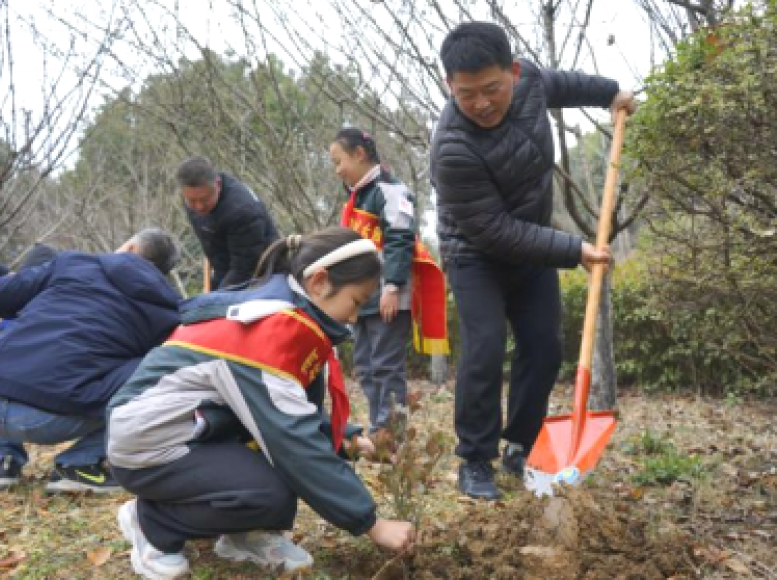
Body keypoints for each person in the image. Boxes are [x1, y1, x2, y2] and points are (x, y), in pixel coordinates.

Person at [106, 226, 415, 579]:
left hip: (196, 431)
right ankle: (153, 524)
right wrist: (372, 523)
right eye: (356, 302)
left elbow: (289, 408)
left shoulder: (287, 315)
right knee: (270, 493)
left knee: (277, 484)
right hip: (149, 443)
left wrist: (348, 438)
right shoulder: (269, 329)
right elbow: (293, 439)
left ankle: (243, 534)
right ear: (319, 282)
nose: (354, 317)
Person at [430, 22, 635, 500]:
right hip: (476, 253)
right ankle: (475, 459)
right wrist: (572, 249)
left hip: (533, 244)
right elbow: (493, 230)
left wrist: (612, 94)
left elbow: (565, 84)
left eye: (492, 88)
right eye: (466, 94)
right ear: (449, 87)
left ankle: (521, 445)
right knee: (483, 347)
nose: (481, 103)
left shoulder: (532, 84)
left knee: (543, 347)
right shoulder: (452, 148)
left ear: (514, 74)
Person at [0, 229, 181, 493]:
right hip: (48, 419)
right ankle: (79, 463)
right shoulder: (167, 307)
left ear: (130, 247)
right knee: (155, 371)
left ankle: (4, 461)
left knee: (18, 341)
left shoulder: (72, 263)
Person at [329, 128, 416, 435]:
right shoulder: (354, 199)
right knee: (365, 367)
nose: (338, 170)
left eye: (339, 161)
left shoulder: (390, 190)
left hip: (388, 295)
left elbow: (400, 238)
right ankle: (381, 429)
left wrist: (392, 286)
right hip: (362, 297)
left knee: (386, 366)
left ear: (359, 155)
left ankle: (392, 435)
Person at [177, 156, 279, 290]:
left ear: (218, 184)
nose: (199, 207)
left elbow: (244, 269)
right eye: (191, 201)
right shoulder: (191, 199)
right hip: (224, 267)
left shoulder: (242, 211)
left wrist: (218, 300)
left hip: (263, 274)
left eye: (205, 199)